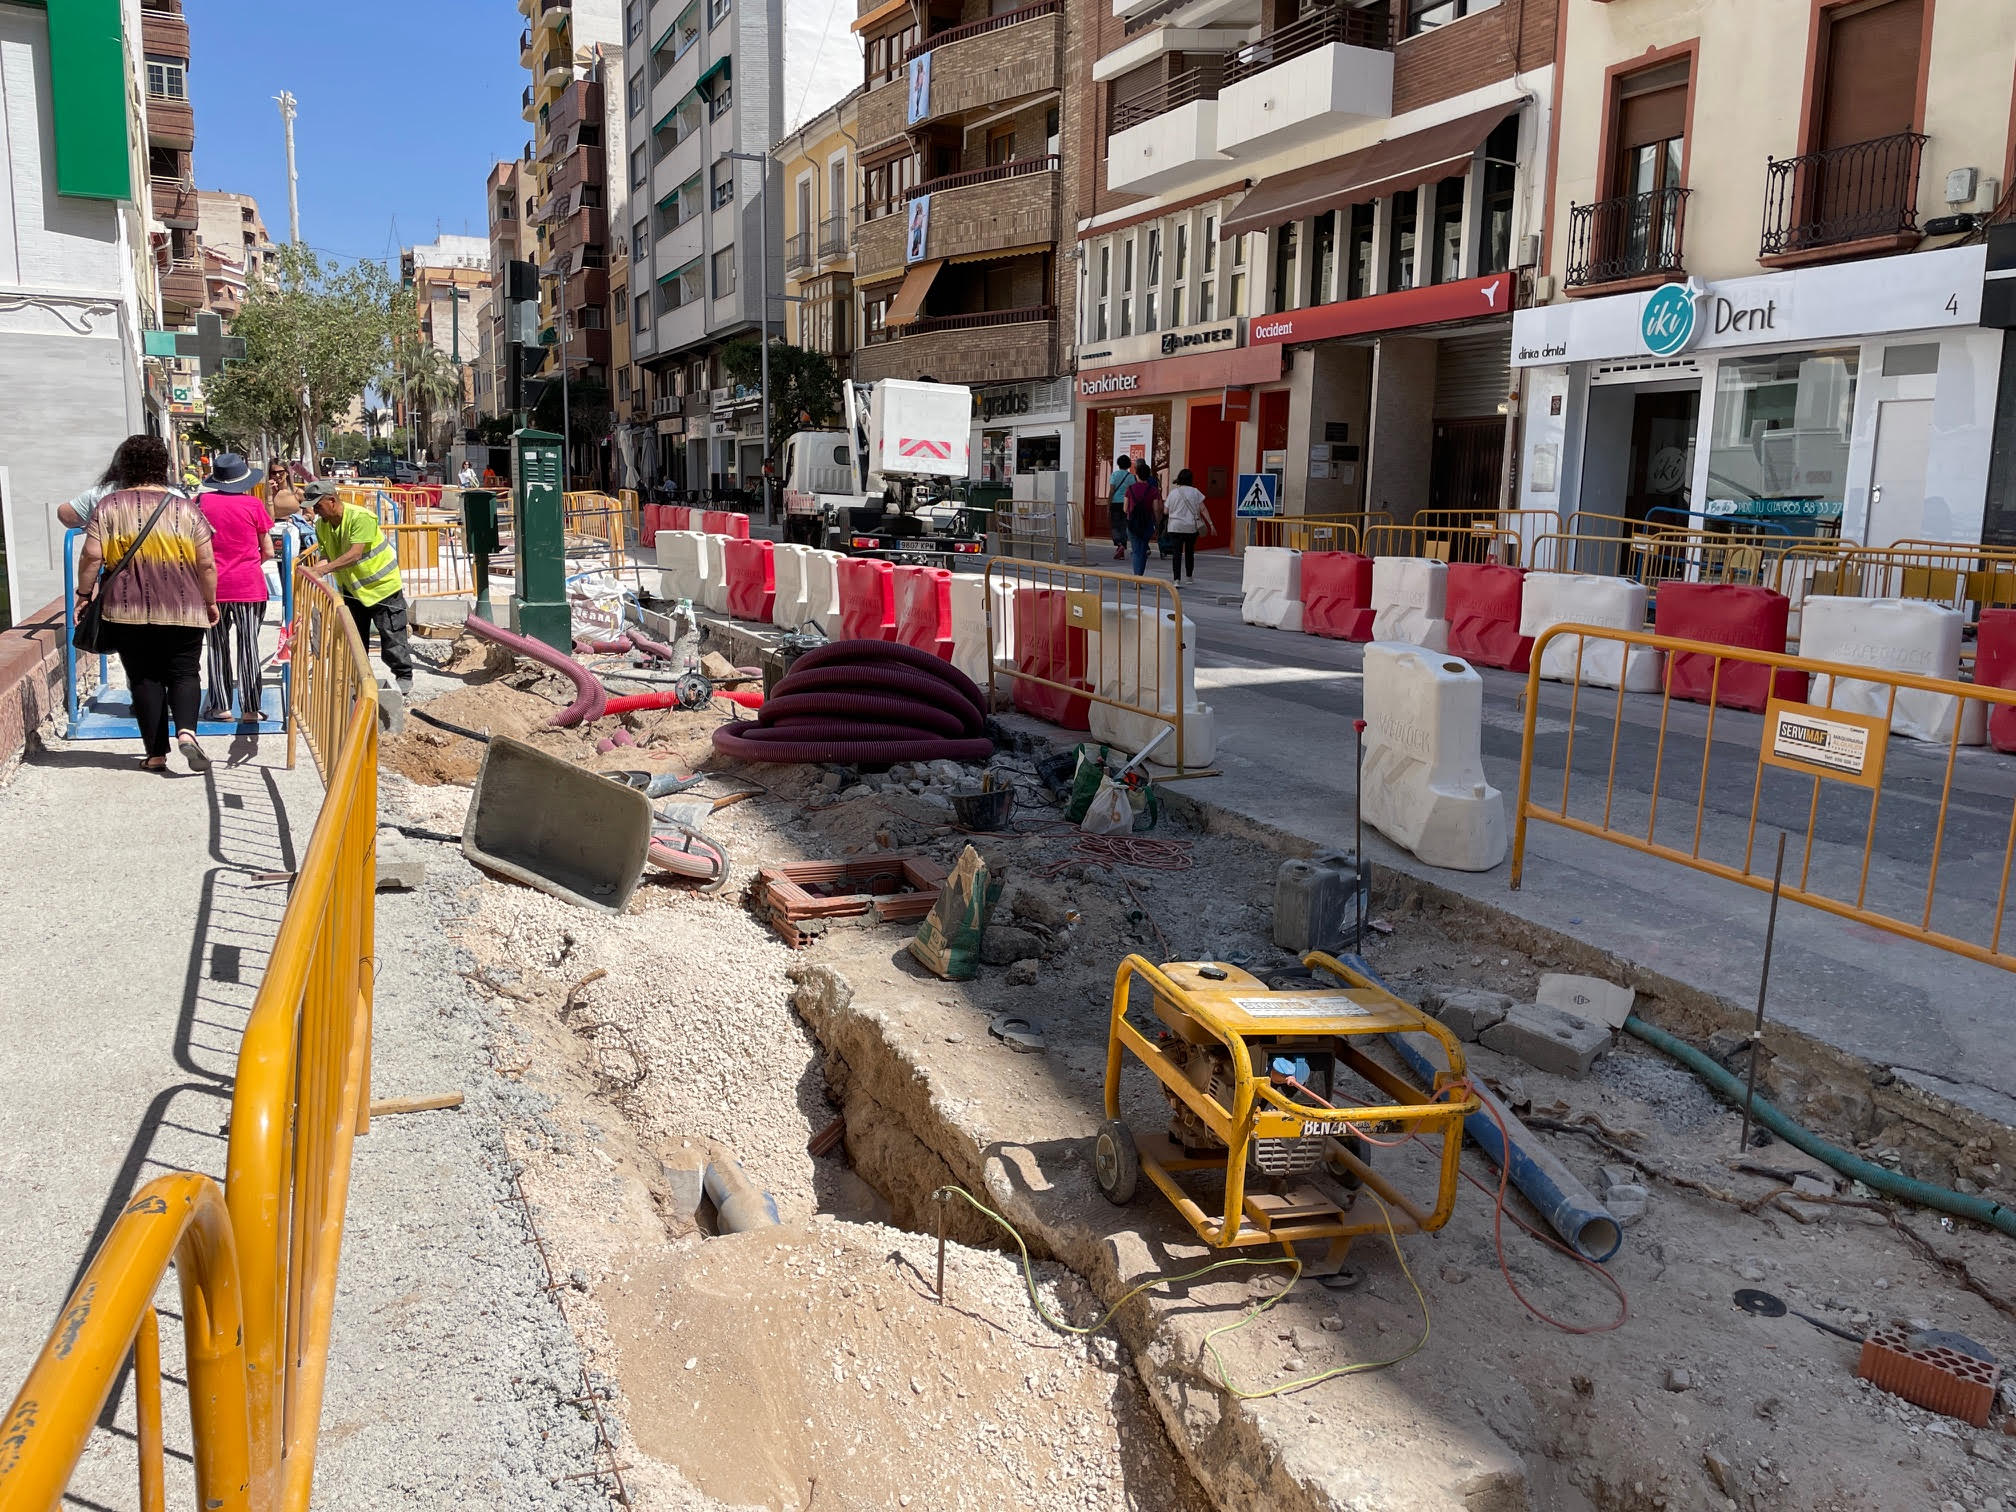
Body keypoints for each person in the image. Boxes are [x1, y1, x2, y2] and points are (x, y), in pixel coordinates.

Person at [73, 435, 218, 773]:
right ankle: (186, 731)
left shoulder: (109, 506)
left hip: (127, 608)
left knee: (143, 677)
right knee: (185, 672)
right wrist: (210, 601)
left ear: (124, 466)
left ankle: (155, 754)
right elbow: (207, 563)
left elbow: (92, 555)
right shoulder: (185, 507)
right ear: (163, 466)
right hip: (184, 605)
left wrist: (84, 594)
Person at [302, 480, 414, 695]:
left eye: (318, 505)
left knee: (392, 636)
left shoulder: (360, 517)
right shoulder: (322, 525)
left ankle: (404, 676)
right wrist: (315, 571)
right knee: (355, 640)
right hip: (353, 591)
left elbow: (355, 554)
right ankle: (361, 682)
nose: (315, 510)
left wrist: (323, 571)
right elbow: (326, 555)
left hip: (383, 589)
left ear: (332, 500)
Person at [195, 453, 275, 722]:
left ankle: (220, 706)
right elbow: (267, 551)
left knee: (216, 646)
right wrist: (248, 563)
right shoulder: (253, 505)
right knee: (249, 646)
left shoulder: (200, 503)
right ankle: (251, 709)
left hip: (212, 588)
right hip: (249, 586)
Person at [57, 439, 190, 531]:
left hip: (118, 568)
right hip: (168, 568)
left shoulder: (103, 494)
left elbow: (65, 515)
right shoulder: (176, 495)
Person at [1161, 468, 1213, 584]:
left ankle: (1176, 579)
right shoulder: (1195, 492)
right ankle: (1189, 576)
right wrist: (1210, 523)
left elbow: (1165, 511)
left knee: (1176, 553)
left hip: (1175, 527)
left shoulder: (1173, 493)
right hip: (1190, 526)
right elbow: (1203, 509)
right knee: (1189, 552)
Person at [1123, 460, 1162, 577]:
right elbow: (1156, 509)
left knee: (1135, 550)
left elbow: (1125, 509)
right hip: (1147, 523)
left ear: (1137, 474)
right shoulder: (1153, 490)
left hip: (1133, 523)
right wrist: (1158, 522)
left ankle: (1137, 577)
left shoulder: (1130, 489)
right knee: (1143, 549)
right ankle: (1140, 575)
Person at [1106, 457, 1134, 561]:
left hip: (1115, 503)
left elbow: (1112, 490)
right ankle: (1122, 546)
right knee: (1123, 525)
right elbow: (1132, 492)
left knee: (1115, 525)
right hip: (1126, 503)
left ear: (1118, 464)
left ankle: (1118, 543)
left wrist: (1108, 505)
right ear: (1128, 465)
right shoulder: (1131, 477)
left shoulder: (1115, 475)